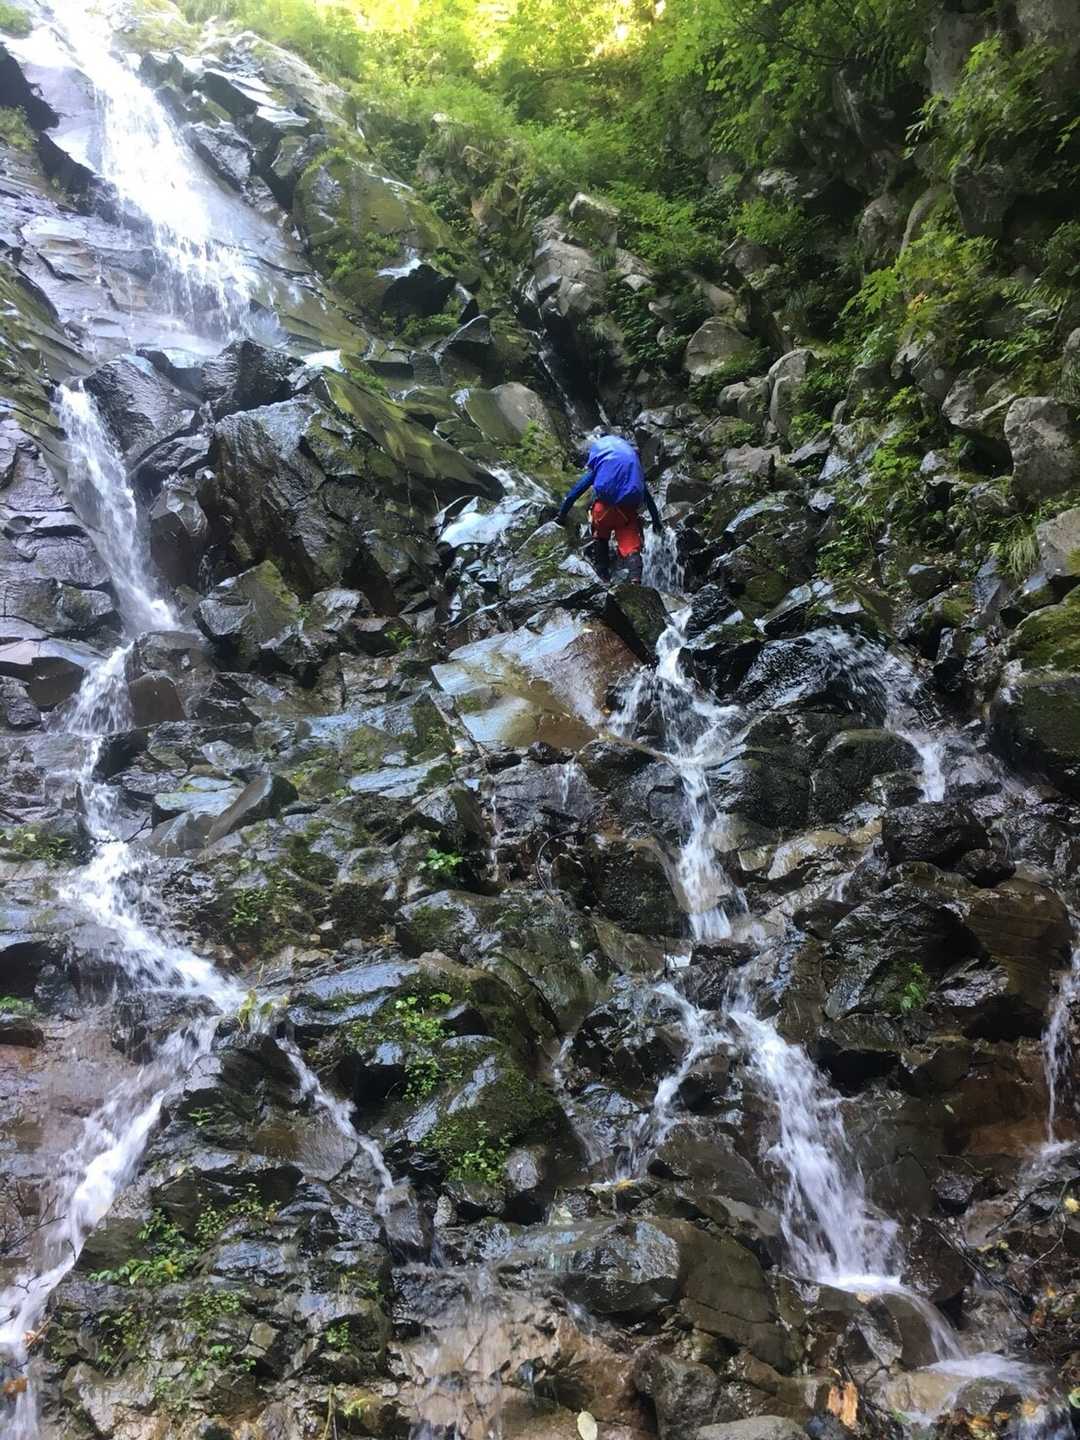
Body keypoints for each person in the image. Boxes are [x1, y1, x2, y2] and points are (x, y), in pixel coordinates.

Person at [556, 431, 663, 585]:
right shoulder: (633, 472)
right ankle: (635, 580)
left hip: (603, 511)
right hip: (625, 513)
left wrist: (561, 515)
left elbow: (575, 492)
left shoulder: (602, 466)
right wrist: (657, 523)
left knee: (601, 537)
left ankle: (603, 576)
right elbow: (649, 500)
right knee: (630, 546)